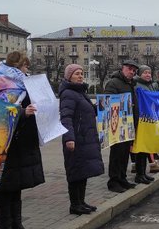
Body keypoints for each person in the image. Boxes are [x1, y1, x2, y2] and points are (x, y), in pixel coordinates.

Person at [0, 51, 43, 229]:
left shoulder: (22, 81)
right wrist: (23, 112)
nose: (27, 69)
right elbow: (0, 110)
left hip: (22, 138)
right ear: (17, 65)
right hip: (8, 140)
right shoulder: (2, 80)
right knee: (6, 187)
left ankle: (17, 224)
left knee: (17, 186)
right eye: (25, 65)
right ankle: (4, 228)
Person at [59, 64, 104, 214]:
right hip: (76, 139)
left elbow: (87, 112)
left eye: (81, 73)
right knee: (75, 171)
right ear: (69, 76)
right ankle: (74, 205)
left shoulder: (80, 92)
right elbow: (66, 118)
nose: (80, 76)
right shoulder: (68, 94)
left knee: (82, 172)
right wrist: (69, 138)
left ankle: (81, 201)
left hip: (85, 139)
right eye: (76, 74)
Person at [104, 60, 139, 193]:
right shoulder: (113, 83)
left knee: (125, 154)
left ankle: (122, 178)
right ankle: (113, 181)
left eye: (134, 70)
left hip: (128, 124)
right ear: (123, 68)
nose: (132, 72)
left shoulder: (131, 84)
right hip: (117, 124)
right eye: (129, 69)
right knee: (116, 154)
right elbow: (108, 101)